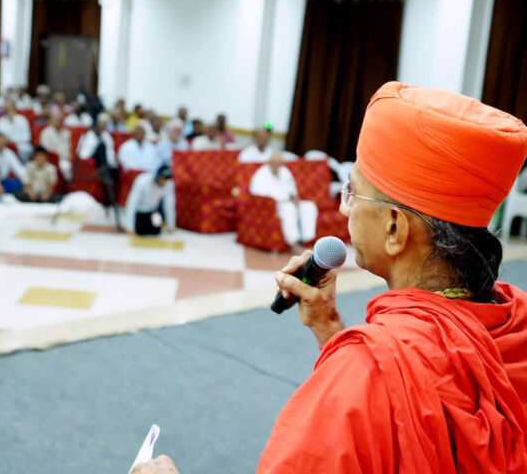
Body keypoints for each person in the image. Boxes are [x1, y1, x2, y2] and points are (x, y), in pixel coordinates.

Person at [137, 82, 527, 474]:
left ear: (394, 229)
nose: (345, 210)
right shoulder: (517, 326)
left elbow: (378, 393)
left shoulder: (363, 373)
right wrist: (331, 331)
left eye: (353, 194)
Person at [249, 150, 317, 253]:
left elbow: (292, 190)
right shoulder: (261, 174)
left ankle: (306, 239)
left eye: (279, 163)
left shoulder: (284, 171)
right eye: (275, 162)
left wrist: (295, 198)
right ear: (269, 162)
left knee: (309, 206)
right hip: (273, 205)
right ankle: (294, 242)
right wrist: (281, 201)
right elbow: (258, 194)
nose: (278, 165)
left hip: (289, 201)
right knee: (288, 209)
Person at [125, 166, 176, 236]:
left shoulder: (168, 184)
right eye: (163, 179)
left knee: (157, 230)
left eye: (166, 180)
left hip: (154, 211)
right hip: (140, 212)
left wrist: (171, 225)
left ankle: (159, 224)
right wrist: (130, 227)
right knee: (141, 231)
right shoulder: (142, 181)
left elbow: (169, 205)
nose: (164, 182)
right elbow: (131, 204)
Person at [39, 111, 72, 179]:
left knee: (71, 166)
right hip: (53, 160)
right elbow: (45, 150)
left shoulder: (66, 132)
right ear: (51, 120)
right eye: (57, 120)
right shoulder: (46, 132)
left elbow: (68, 148)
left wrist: (68, 156)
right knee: (65, 167)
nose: (59, 122)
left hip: (65, 159)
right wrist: (57, 156)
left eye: (60, 120)